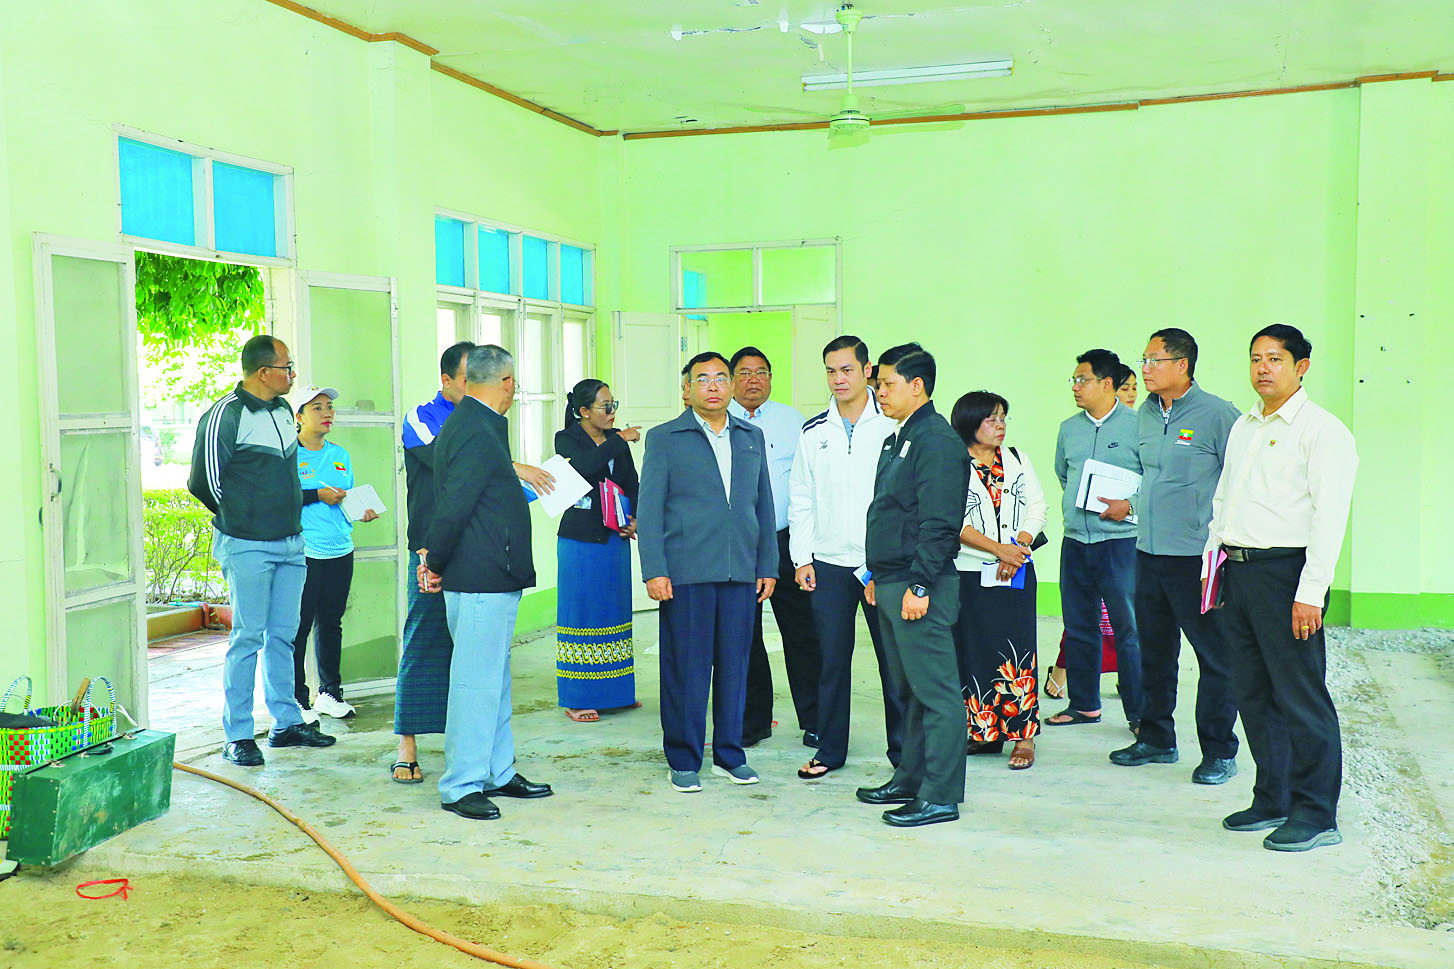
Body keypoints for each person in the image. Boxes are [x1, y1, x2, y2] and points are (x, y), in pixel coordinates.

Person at [1207, 324, 1357, 852]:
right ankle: (1273, 795)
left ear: (1301, 367)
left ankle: (1316, 813)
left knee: (1300, 695)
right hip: (1239, 571)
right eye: (1256, 358)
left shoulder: (1323, 431)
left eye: (1275, 358)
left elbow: (1329, 518)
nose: (1263, 368)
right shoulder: (1245, 424)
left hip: (1288, 575)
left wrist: (1310, 591)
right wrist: (1212, 562)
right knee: (1253, 691)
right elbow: (1224, 499)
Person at [393, 342, 553, 784]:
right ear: (508, 383)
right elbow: (453, 504)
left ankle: (499, 771)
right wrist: (434, 560)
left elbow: (486, 494)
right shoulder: (466, 427)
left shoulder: (483, 423)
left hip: (488, 569)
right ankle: (461, 782)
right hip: (469, 568)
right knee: (470, 682)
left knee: (493, 680)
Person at [188, 334, 334, 766]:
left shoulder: (284, 411)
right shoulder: (226, 414)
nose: (293, 374)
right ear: (264, 372)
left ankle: (286, 723)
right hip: (247, 544)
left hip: (290, 543)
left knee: (284, 635)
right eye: (287, 367)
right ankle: (237, 734)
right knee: (247, 637)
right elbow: (203, 482)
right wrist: (244, 522)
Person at [637, 351, 777, 794]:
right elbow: (649, 508)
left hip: (740, 570)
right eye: (703, 379)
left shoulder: (751, 436)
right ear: (687, 389)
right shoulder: (665, 438)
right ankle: (683, 758)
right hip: (687, 572)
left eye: (721, 378)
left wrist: (767, 564)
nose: (713, 386)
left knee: (736, 665)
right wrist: (655, 569)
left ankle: (730, 755)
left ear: (731, 386)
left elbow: (764, 504)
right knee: (687, 669)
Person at [1110, 329, 1242, 783]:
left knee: (1215, 657)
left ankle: (1220, 751)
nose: (1144, 369)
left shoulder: (1218, 415)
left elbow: (1241, 481)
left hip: (1197, 558)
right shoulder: (1144, 414)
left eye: (1154, 360)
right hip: (1147, 552)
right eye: (1144, 360)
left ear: (1182, 365)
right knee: (1155, 651)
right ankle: (1156, 738)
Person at [855, 343, 970, 827]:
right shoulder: (898, 437)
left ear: (917, 386)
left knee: (936, 693)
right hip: (891, 580)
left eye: (887, 383)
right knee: (909, 690)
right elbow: (891, 513)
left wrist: (919, 586)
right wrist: (875, 574)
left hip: (919, 585)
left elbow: (940, 523)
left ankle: (940, 795)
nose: (879, 391)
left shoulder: (936, 441)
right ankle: (911, 778)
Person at [789, 336, 904, 780]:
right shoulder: (814, 431)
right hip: (829, 564)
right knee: (831, 662)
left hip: (882, 565)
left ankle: (904, 755)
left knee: (894, 663)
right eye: (831, 371)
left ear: (867, 370)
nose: (838, 379)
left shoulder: (892, 425)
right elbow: (802, 498)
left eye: (847, 370)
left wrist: (889, 561)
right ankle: (830, 749)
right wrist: (802, 558)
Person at [949, 391, 1047, 771]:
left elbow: (1037, 507)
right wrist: (997, 550)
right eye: (991, 419)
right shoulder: (953, 464)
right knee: (975, 651)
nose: (1000, 425)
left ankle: (1023, 736)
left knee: (1018, 651)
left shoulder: (1018, 459)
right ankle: (984, 732)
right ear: (969, 422)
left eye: (1003, 417)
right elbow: (954, 520)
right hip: (970, 572)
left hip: (1017, 569)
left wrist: (1017, 549)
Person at [728, 347, 819, 748]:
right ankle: (753, 721)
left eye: (761, 372)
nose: (754, 380)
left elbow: (808, 483)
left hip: (786, 541)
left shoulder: (792, 421)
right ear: (732, 380)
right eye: (745, 372)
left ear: (770, 378)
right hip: (738, 544)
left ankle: (816, 719)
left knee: (803, 633)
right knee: (743, 635)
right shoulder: (719, 420)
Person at [1049, 349, 1143, 730]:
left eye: (1082, 380)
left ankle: (1140, 714)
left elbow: (1155, 480)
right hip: (1075, 541)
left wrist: (1130, 506)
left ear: (1106, 384)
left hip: (1120, 543)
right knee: (1078, 626)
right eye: (1073, 380)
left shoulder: (1138, 426)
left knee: (1128, 630)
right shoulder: (1068, 428)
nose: (1075, 387)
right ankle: (1084, 704)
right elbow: (1063, 474)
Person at [554, 379, 641, 722]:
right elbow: (582, 468)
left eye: (613, 404)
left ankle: (616, 693)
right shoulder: (566, 439)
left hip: (614, 539)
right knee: (582, 615)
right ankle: (577, 698)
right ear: (584, 411)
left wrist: (635, 518)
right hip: (580, 542)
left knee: (614, 613)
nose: (612, 411)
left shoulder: (617, 438)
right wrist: (619, 440)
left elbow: (632, 483)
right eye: (605, 406)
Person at [291, 385, 380, 720]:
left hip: (341, 549)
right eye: (317, 408)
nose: (327, 413)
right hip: (305, 551)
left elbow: (345, 498)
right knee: (299, 626)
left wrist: (362, 511)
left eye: (329, 407)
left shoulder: (340, 454)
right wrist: (317, 494)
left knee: (331, 623)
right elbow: (282, 497)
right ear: (299, 417)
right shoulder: (289, 455)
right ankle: (297, 699)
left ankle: (330, 693)